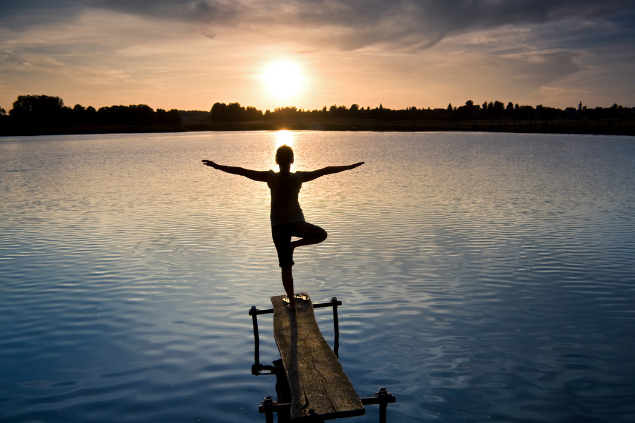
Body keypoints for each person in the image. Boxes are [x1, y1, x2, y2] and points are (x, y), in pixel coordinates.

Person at [203, 145, 364, 311]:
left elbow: (242, 171)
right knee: (321, 234)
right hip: (297, 223)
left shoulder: (271, 177)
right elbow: (325, 170)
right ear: (293, 160)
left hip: (279, 227)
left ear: (276, 160)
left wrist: (217, 166)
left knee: (286, 266)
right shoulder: (298, 178)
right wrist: (349, 167)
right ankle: (294, 246)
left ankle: (292, 304)